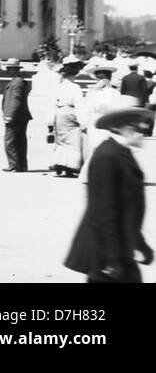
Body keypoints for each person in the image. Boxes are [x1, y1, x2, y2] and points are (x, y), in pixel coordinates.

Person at [64, 106, 154, 283]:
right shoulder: (107, 156)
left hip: (120, 248)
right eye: (142, 130)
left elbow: (127, 209)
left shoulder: (122, 153)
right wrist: (111, 258)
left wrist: (140, 244)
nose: (145, 135)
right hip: (106, 252)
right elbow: (103, 212)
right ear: (126, 128)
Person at [50, 58, 86, 178]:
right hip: (71, 114)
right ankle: (70, 165)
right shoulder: (75, 87)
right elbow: (79, 105)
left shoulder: (56, 87)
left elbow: (51, 104)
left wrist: (50, 121)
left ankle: (59, 163)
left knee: (60, 141)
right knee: (73, 141)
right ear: (72, 75)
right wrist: (82, 120)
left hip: (59, 115)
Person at [1, 59, 32, 172]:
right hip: (21, 116)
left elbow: (15, 100)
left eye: (10, 68)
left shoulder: (16, 83)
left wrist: (9, 115)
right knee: (19, 141)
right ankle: (21, 165)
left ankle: (14, 165)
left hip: (15, 117)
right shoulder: (18, 81)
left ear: (16, 69)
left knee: (11, 141)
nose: (7, 70)